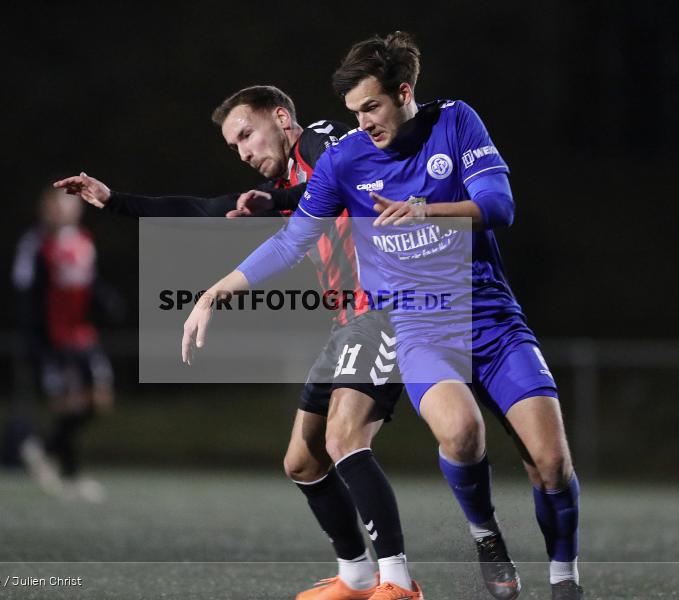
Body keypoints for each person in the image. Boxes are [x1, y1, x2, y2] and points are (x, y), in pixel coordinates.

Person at [184, 33, 583, 600]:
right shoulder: (346, 158)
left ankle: (564, 579)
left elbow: (500, 208)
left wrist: (425, 209)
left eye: (372, 107)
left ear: (404, 92)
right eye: (354, 111)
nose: (363, 122)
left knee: (551, 463)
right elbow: (294, 239)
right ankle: (484, 534)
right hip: (419, 325)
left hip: (491, 316)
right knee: (462, 433)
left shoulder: (456, 122)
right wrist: (214, 292)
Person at [55, 85, 419, 600]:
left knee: (343, 440)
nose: (244, 152)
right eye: (234, 147)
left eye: (247, 135)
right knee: (302, 461)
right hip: (347, 322)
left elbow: (344, 161)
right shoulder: (280, 188)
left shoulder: (320, 142)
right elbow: (200, 208)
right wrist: (113, 201)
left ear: (282, 118)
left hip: (389, 309)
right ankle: (357, 576)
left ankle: (399, 584)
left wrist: (282, 200)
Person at [12, 186, 117, 503]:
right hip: (54, 339)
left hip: (83, 335)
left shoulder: (83, 240)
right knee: (69, 404)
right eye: (58, 204)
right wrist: (35, 339)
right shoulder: (37, 244)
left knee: (98, 401)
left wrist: (107, 299)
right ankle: (69, 474)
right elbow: (27, 293)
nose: (67, 209)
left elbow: (89, 281)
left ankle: (43, 449)